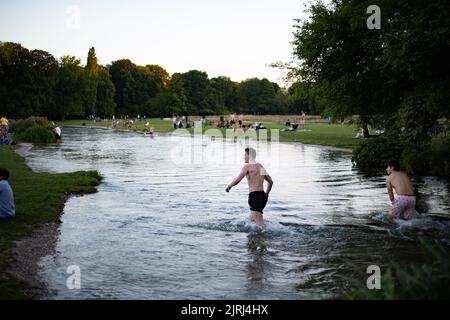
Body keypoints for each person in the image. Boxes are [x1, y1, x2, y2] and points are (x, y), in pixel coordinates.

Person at [225, 147, 273, 230]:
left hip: (255, 197)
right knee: (250, 220)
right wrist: (266, 194)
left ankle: (265, 239)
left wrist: (229, 186)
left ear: (249, 155)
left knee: (260, 224)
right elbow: (271, 182)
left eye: (245, 154)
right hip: (262, 196)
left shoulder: (247, 167)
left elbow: (237, 180)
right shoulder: (260, 166)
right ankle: (255, 240)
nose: (244, 157)